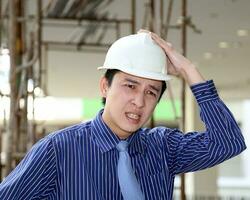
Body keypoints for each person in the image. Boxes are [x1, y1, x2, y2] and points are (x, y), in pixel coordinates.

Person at [0, 30, 246, 200]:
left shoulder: (163, 147)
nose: (139, 101)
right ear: (105, 86)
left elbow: (227, 143)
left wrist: (188, 70)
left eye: (151, 92)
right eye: (130, 86)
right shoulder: (57, 150)